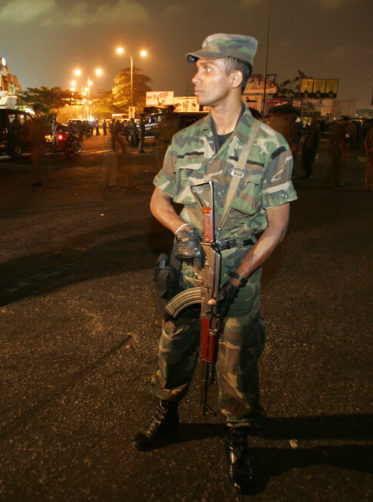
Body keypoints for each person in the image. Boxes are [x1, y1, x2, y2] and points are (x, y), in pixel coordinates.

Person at [132, 33, 297, 492]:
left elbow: (277, 227)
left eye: (207, 69)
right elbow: (159, 200)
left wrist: (239, 278)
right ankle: (167, 413)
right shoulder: (184, 141)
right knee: (174, 343)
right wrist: (180, 230)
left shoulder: (270, 146)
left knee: (238, 358)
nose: (196, 77)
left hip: (239, 270)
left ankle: (238, 438)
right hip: (189, 268)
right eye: (197, 68)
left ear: (236, 77)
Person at [325, 116, 349, 187]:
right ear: (343, 121)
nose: (347, 123)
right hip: (337, 150)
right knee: (335, 166)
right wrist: (343, 152)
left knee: (335, 167)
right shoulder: (340, 128)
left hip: (334, 148)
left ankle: (334, 181)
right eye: (346, 121)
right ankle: (330, 182)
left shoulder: (336, 127)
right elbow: (341, 140)